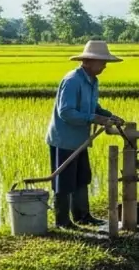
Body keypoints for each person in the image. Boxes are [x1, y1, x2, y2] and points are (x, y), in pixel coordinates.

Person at [46, 40, 125, 229]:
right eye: (101, 61)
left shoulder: (92, 81)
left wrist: (108, 116)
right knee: (64, 180)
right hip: (64, 139)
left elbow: (93, 107)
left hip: (81, 138)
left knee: (82, 177)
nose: (105, 65)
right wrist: (95, 118)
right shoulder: (73, 81)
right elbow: (66, 112)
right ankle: (63, 221)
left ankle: (83, 216)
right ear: (88, 61)